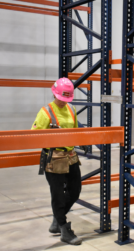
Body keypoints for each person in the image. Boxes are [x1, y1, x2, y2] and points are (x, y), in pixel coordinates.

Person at [31, 77, 82, 245]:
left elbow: (75, 131)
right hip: (54, 158)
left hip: (70, 156)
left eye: (65, 99)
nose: (62, 102)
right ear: (55, 94)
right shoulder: (46, 112)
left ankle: (57, 217)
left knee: (75, 190)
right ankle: (63, 227)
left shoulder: (72, 110)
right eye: (61, 98)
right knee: (58, 195)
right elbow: (34, 135)